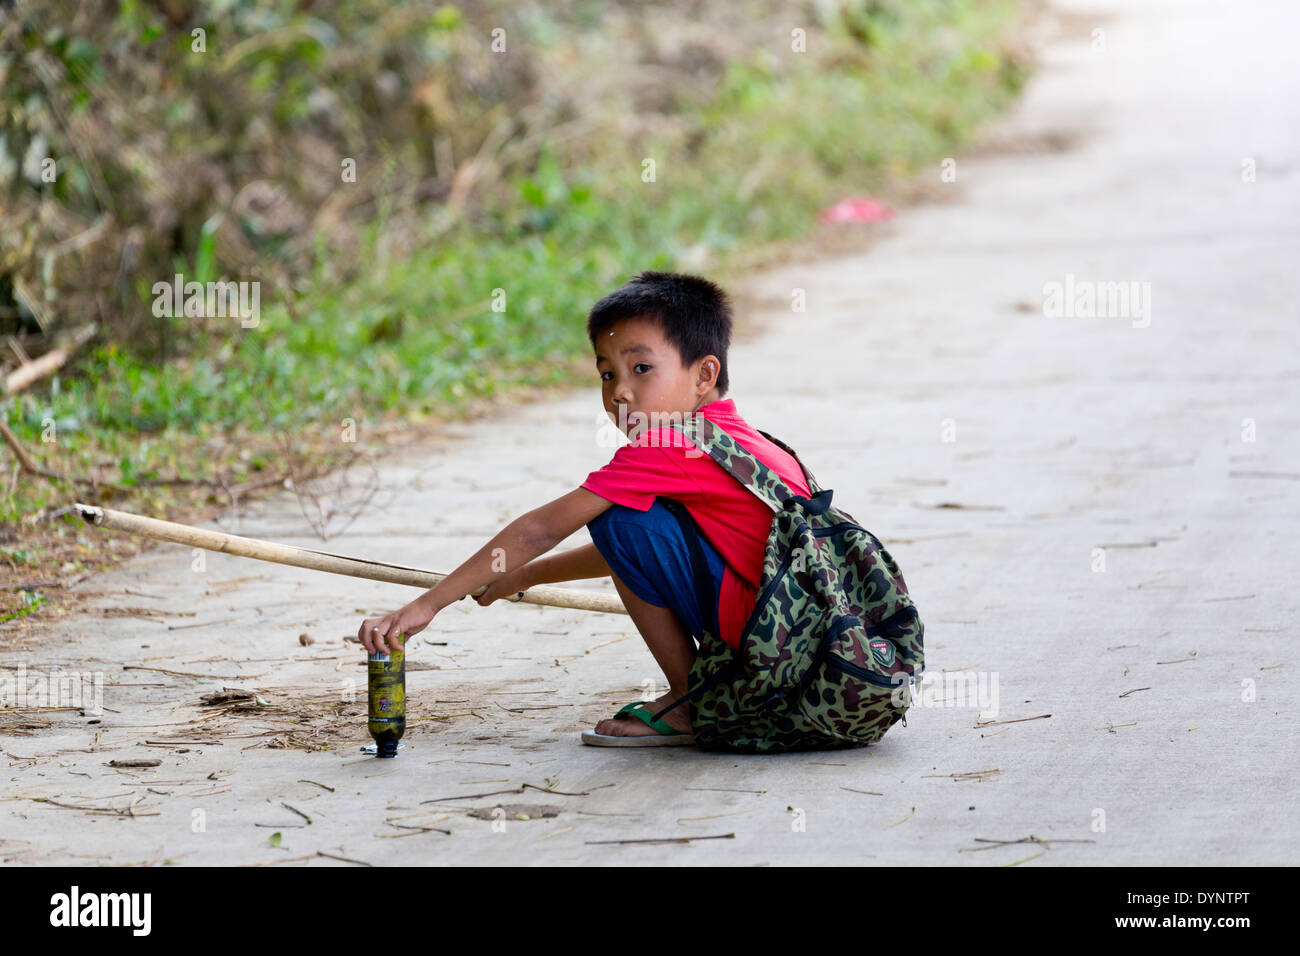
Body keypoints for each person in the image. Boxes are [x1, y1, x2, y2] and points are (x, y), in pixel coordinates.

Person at [358, 270, 811, 746]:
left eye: (641, 369)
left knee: (616, 517)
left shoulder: (668, 446)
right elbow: (648, 552)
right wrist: (525, 576)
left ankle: (690, 702)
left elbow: (541, 529)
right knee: (625, 522)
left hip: (773, 650)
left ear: (704, 374)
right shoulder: (742, 442)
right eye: (607, 373)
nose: (618, 391)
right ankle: (700, 695)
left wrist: (426, 606)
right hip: (801, 646)